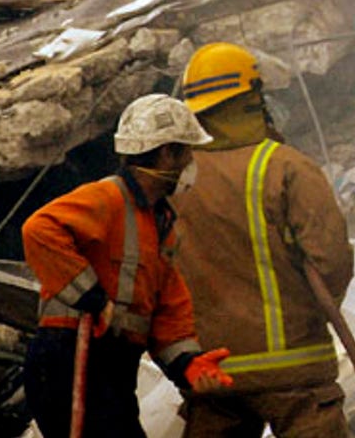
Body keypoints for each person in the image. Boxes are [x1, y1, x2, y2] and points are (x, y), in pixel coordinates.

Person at [172, 42, 355, 438]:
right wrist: (316, 313)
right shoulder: (285, 166)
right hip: (296, 367)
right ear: (252, 98)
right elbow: (332, 260)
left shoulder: (173, 176)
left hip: (210, 374)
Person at [22, 94, 233, 438]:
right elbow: (39, 231)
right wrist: (92, 298)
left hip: (112, 365)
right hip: (70, 356)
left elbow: (167, 306)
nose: (191, 162)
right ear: (167, 153)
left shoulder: (159, 222)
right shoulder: (107, 198)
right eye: (187, 152)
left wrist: (187, 362)